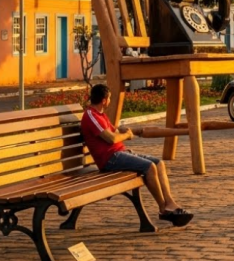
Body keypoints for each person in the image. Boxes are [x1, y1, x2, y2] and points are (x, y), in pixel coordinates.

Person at [80, 84, 193, 226]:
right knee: (149, 167)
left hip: (119, 154)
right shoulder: (91, 115)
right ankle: (163, 209)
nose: (110, 101)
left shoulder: (100, 115)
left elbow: (114, 131)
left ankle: (170, 202)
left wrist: (123, 130)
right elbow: (112, 139)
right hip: (110, 159)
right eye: (109, 98)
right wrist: (127, 135)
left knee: (159, 163)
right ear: (104, 100)